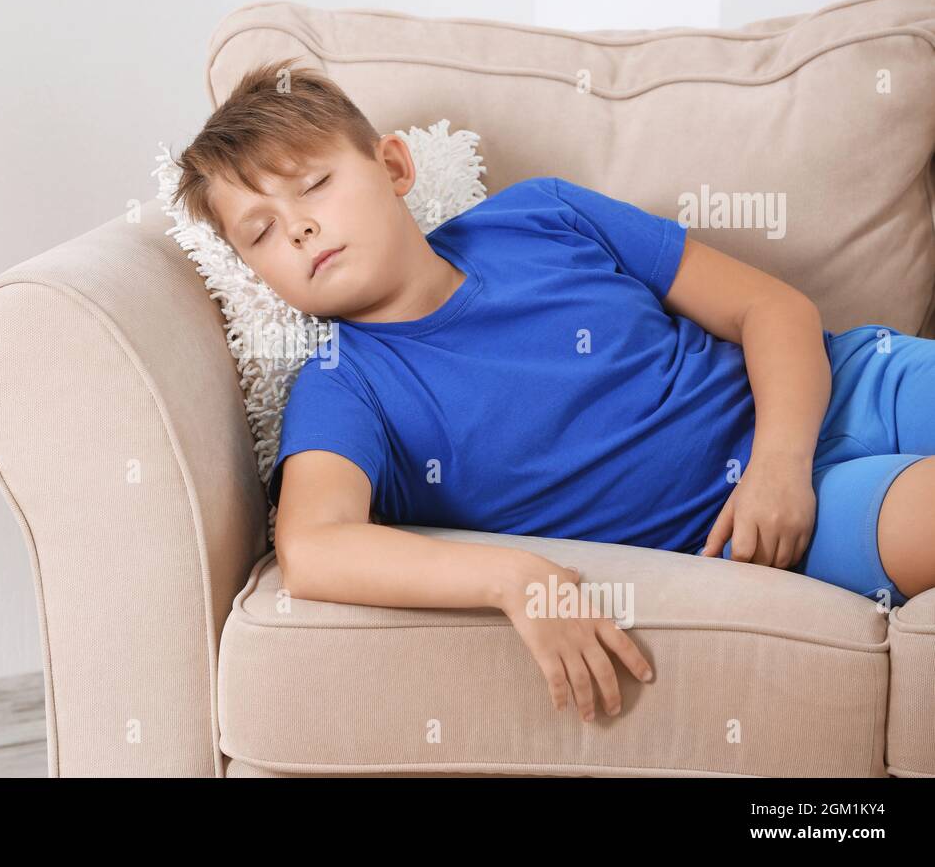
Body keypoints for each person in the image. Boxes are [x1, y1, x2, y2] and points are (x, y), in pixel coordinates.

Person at [170, 56, 934, 724]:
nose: (299, 229)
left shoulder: (544, 214)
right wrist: (511, 577)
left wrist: (778, 463)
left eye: (314, 185)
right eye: (261, 232)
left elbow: (772, 308)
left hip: (850, 382)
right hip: (776, 520)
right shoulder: (343, 386)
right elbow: (312, 547)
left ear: (394, 168)